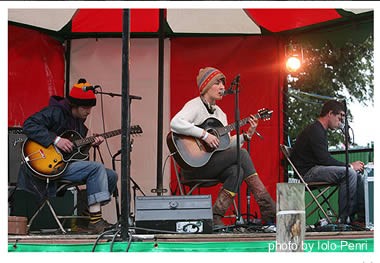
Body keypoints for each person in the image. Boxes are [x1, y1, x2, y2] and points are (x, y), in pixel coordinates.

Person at [170, 67, 276, 226]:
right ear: (206, 86)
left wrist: (247, 134)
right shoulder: (194, 105)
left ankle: (216, 216)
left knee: (237, 170)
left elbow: (225, 145)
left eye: (223, 84)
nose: (222, 88)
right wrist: (204, 135)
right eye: (217, 83)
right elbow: (175, 123)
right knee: (243, 154)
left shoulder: (220, 114)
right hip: (194, 166)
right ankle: (269, 209)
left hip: (211, 164)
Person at [18, 79, 118, 234]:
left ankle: (86, 217)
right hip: (49, 166)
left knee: (111, 175)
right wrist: (55, 140)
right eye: (85, 107)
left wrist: (90, 144)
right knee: (96, 167)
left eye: (90, 107)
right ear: (74, 105)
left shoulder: (79, 121)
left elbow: (74, 153)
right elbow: (29, 124)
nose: (89, 111)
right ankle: (96, 221)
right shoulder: (55, 112)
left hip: (66, 164)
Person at [290, 100, 365, 224]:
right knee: (350, 173)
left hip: (315, 169)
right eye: (339, 118)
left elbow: (323, 159)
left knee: (358, 176)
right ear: (330, 113)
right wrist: (350, 166)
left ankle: (361, 218)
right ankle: (344, 219)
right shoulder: (315, 130)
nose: (340, 123)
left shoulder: (319, 130)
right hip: (307, 173)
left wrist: (350, 168)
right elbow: (324, 159)